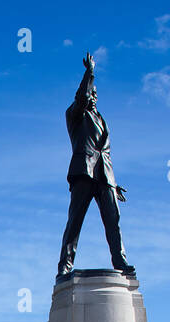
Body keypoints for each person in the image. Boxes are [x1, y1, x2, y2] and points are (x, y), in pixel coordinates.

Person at [58, 52, 134, 278]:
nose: (92, 96)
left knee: (114, 222)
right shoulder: (75, 115)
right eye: (90, 92)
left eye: (95, 94)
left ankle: (120, 263)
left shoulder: (102, 120)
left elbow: (104, 152)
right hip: (83, 173)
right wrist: (89, 74)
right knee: (75, 222)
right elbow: (81, 97)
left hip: (105, 177)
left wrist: (114, 183)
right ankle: (65, 266)